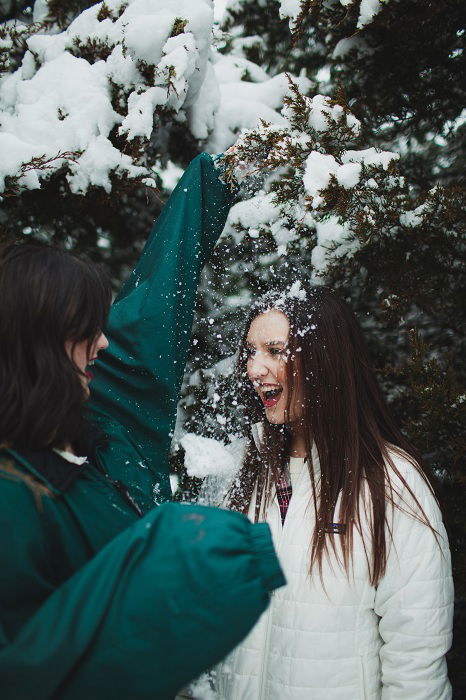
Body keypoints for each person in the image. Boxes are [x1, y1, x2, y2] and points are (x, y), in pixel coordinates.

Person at [0, 153, 285, 700]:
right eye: (86, 328)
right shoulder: (14, 502)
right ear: (36, 345)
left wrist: (213, 180)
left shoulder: (107, 419)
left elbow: (157, 302)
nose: (103, 342)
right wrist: (179, 559)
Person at [209, 283, 454, 700]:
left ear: (323, 360)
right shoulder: (247, 473)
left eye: (274, 350)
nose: (254, 369)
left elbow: (416, 656)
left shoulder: (390, 482)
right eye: (250, 352)